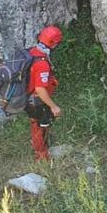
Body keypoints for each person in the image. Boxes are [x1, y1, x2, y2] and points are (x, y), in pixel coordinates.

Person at [26, 25, 63, 161]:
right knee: (40, 126)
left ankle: (42, 150)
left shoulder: (32, 52)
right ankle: (41, 156)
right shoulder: (42, 64)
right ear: (54, 44)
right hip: (36, 100)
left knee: (39, 125)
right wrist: (53, 106)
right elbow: (40, 89)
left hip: (30, 98)